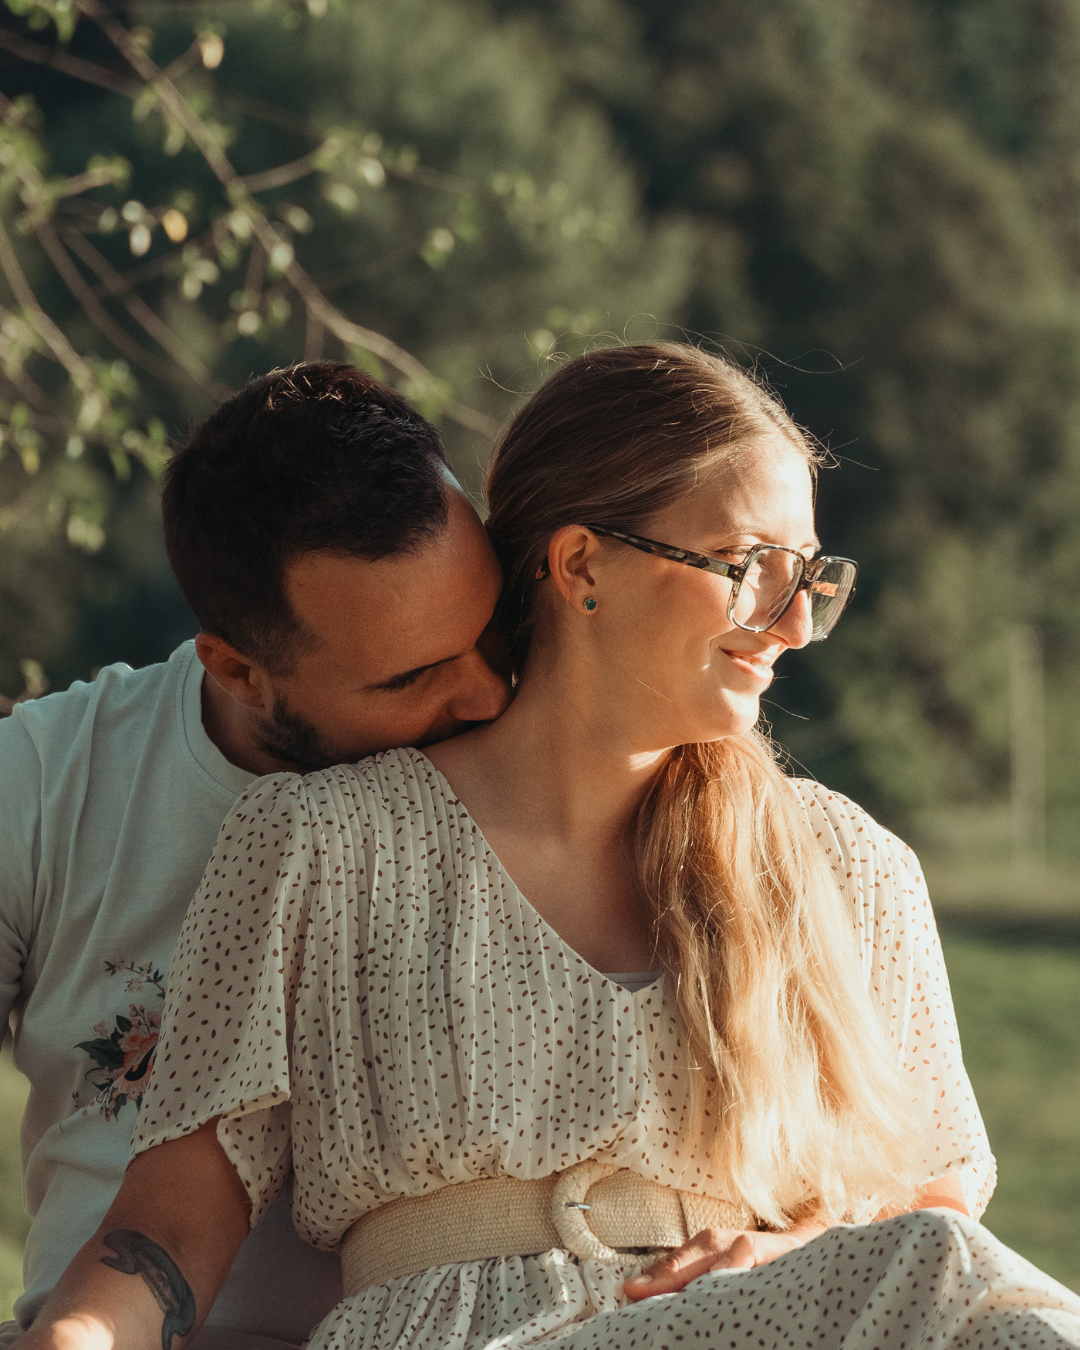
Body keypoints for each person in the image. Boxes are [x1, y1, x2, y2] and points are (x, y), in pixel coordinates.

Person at [19, 343, 1080, 1350]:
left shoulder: (852, 870)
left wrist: (800, 1255)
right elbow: (169, 1231)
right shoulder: (318, 845)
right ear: (580, 567)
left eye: (810, 575)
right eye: (750, 566)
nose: (793, 622)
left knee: (938, 1262)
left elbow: (936, 1198)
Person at [0, 363, 510, 1349]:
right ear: (238, 669)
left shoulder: (545, 765)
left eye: (494, 631)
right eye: (414, 677)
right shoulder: (42, 782)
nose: (489, 695)